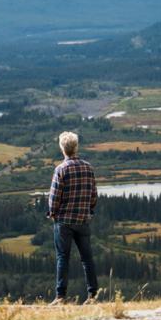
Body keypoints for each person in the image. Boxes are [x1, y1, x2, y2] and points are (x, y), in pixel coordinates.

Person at [47, 131, 98, 305]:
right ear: (76, 147)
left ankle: (61, 297)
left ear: (62, 149)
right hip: (83, 220)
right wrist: (88, 211)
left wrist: (52, 213)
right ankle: (93, 296)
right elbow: (93, 195)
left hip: (64, 222)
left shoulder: (61, 169)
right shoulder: (88, 168)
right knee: (87, 258)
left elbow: (54, 198)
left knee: (63, 257)